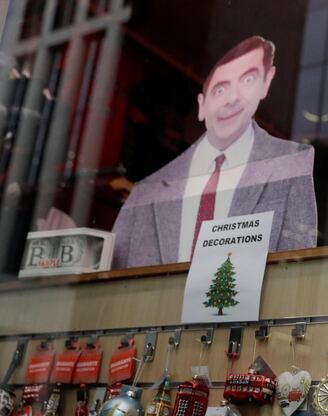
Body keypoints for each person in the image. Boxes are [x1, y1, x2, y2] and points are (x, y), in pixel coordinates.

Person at [111, 35, 317, 269]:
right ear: (201, 105)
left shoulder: (290, 165)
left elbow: (298, 274)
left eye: (248, 79)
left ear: (266, 83)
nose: (232, 99)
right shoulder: (146, 192)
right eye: (220, 90)